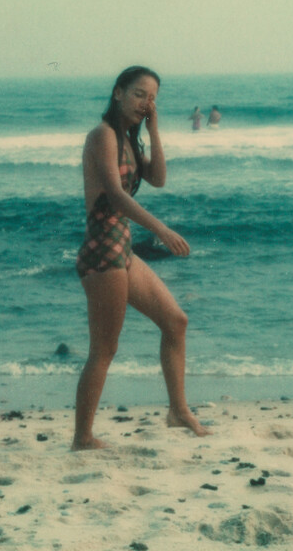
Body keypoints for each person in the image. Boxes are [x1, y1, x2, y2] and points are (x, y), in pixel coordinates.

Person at [72, 66, 209, 449]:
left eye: (152, 99)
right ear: (117, 92)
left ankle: (178, 411)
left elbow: (159, 179)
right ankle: (82, 437)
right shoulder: (102, 136)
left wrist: (153, 131)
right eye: (139, 94)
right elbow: (115, 195)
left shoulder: (130, 141)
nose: (146, 103)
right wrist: (161, 230)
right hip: (103, 253)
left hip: (123, 251)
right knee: (104, 349)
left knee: (175, 322)